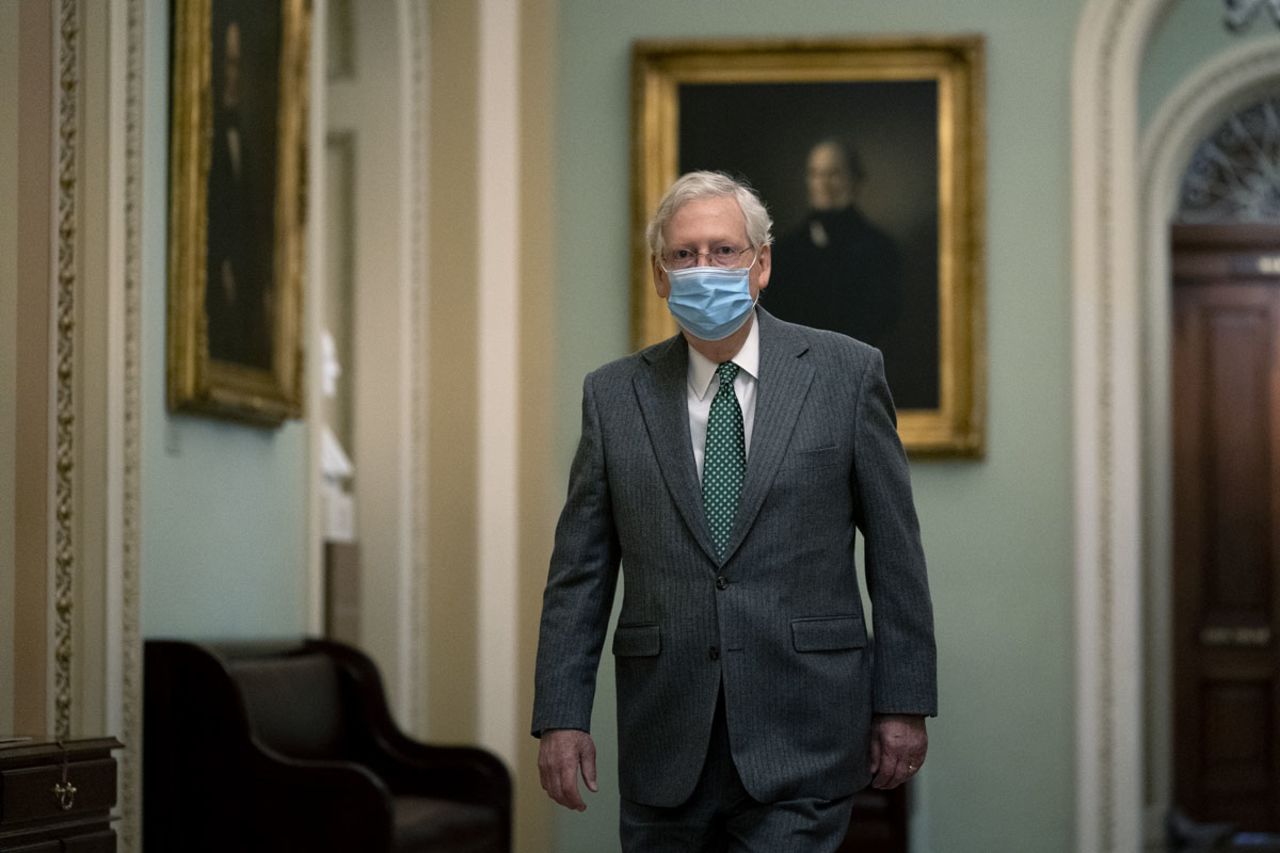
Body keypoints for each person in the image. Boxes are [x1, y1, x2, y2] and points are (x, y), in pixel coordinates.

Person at [532, 171, 936, 851]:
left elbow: (897, 554)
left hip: (803, 730)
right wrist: (560, 715)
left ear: (762, 263)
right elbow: (580, 573)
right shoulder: (612, 396)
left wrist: (903, 701)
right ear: (659, 276)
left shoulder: (845, 374)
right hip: (666, 737)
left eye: (724, 250)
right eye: (684, 255)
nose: (704, 269)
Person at [766, 139, 902, 347]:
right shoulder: (785, 251)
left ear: (855, 180)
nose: (823, 183)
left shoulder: (880, 250)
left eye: (834, 174)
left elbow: (881, 323)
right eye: (816, 174)